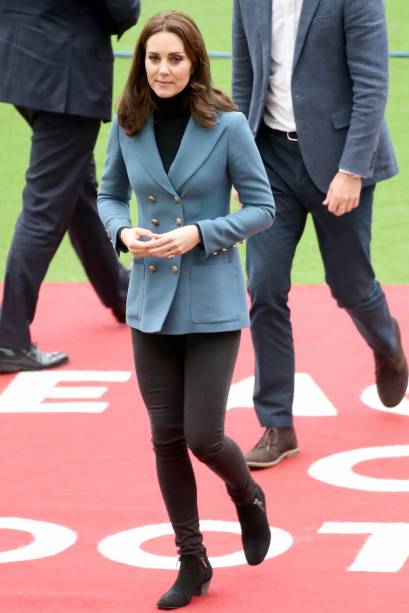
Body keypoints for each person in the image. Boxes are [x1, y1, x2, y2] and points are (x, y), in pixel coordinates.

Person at [97, 11, 275, 609]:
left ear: (195, 61)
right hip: (149, 300)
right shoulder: (128, 123)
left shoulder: (227, 125)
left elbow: (262, 207)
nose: (164, 68)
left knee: (203, 435)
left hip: (214, 300)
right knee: (165, 438)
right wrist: (122, 235)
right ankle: (191, 559)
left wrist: (203, 232)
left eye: (175, 58)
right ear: (141, 63)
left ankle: (247, 494)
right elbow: (107, 193)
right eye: (154, 58)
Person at [232, 0, 408, 468]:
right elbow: (244, 75)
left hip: (340, 160)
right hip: (269, 161)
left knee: (350, 286)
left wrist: (352, 169)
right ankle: (277, 424)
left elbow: (372, 83)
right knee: (264, 286)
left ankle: (386, 344)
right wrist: (237, 160)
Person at [0, 0, 140, 374]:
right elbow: (122, 9)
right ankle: (9, 338)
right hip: (66, 71)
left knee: (76, 189)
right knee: (47, 206)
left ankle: (122, 294)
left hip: (20, 62)